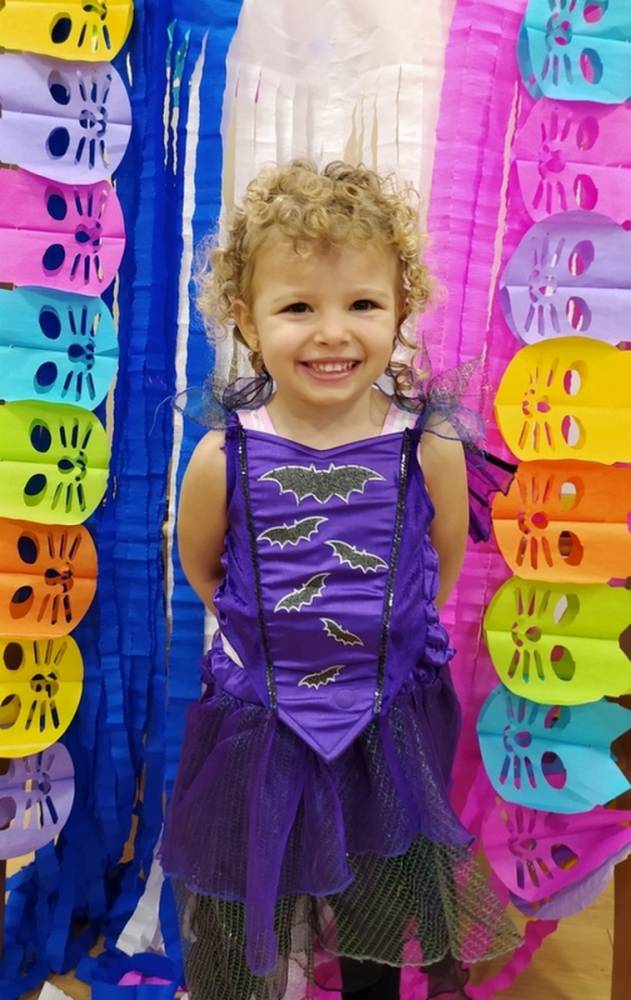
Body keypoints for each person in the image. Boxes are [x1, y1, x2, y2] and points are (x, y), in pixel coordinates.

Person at [160, 160, 520, 1000]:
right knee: (246, 914)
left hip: (388, 729)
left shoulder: (426, 447)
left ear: (401, 308)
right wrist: (270, 651)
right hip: (259, 730)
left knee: (379, 910)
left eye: (361, 304)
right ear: (247, 321)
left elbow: (437, 564)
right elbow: (204, 569)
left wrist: (384, 647)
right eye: (297, 308)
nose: (332, 333)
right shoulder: (221, 457)